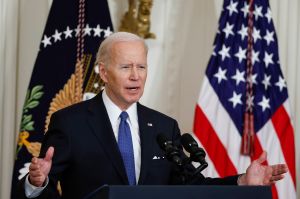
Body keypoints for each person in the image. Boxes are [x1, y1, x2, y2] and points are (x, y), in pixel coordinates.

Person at [17, 32, 288, 199]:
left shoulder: (163, 126)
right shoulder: (70, 122)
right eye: (126, 67)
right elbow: (46, 187)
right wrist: (36, 183)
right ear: (103, 72)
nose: (136, 75)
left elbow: (192, 186)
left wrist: (242, 181)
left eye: (142, 67)